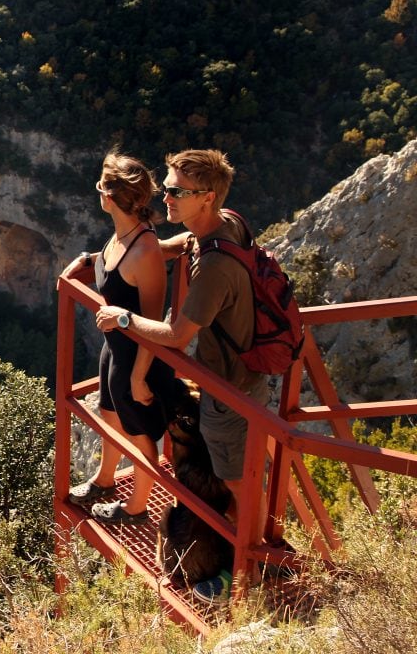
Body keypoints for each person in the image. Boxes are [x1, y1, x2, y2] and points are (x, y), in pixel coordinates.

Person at [94, 149, 271, 605]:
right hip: (233, 374)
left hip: (231, 388)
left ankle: (256, 563)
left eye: (176, 191)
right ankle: (248, 548)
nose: (164, 197)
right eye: (166, 187)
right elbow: (185, 244)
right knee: (224, 472)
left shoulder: (214, 269)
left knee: (236, 480)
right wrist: (150, 248)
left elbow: (173, 334)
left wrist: (122, 319)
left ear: (206, 197)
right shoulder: (225, 223)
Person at [60, 152, 181, 527]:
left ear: (109, 198)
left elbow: (152, 320)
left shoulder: (144, 250)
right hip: (115, 349)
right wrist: (86, 259)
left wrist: (138, 376)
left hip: (135, 358)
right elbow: (113, 262)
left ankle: (136, 508)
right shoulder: (123, 235)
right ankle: (105, 479)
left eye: (100, 187)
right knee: (109, 416)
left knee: (140, 433)